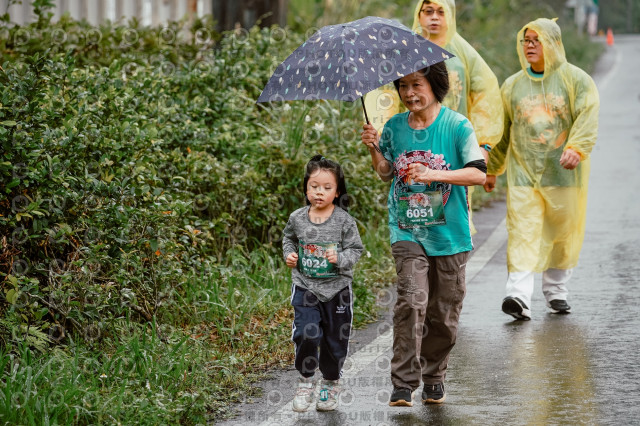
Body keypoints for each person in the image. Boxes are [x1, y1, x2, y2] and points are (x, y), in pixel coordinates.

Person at [361, 61, 486, 406]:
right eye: (402, 86)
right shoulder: (394, 126)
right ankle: (402, 383)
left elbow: (478, 174)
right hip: (407, 228)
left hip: (450, 233)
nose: (409, 93)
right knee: (411, 301)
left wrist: (435, 174)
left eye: (417, 85)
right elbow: (387, 172)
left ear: (435, 85)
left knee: (444, 313)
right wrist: (374, 148)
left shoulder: (457, 126)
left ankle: (434, 373)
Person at [484, 18, 599, 320]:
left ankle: (556, 291)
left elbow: (588, 115)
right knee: (522, 233)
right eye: (526, 40)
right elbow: (502, 131)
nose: (530, 45)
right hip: (523, 176)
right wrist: (493, 168)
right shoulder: (512, 86)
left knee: (562, 234)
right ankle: (518, 297)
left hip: (565, 175)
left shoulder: (576, 80)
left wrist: (576, 148)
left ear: (553, 43)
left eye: (537, 40)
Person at [363, 0, 503, 234]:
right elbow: (384, 93)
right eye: (428, 11)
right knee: (415, 213)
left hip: (453, 146)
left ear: (451, 15)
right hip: (411, 144)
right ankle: (414, 259)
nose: (434, 18)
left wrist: (484, 144)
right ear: (418, 15)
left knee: (453, 215)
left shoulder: (463, 52)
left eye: (441, 11)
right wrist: (379, 134)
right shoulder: (402, 51)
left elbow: (486, 95)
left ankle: (449, 261)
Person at [282, 155, 364, 412]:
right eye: (314, 186)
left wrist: (339, 259)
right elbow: (288, 239)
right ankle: (306, 382)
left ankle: (330, 382)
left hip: (337, 291)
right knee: (307, 332)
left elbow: (356, 250)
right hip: (306, 286)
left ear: (337, 191)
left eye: (327, 188)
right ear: (306, 188)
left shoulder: (344, 221)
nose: (319, 192)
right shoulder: (297, 218)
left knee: (333, 340)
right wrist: (289, 254)